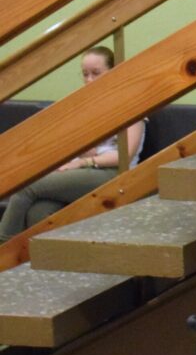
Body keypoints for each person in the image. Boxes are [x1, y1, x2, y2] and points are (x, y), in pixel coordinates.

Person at [0, 46, 145, 241]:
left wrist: (85, 161)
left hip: (113, 174)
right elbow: (76, 146)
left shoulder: (131, 104)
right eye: (85, 74)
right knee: (39, 212)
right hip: (83, 169)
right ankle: (42, 259)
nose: (89, 80)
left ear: (114, 71)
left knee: (26, 188)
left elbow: (123, 156)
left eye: (96, 73)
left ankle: (2, 246)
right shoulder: (87, 106)